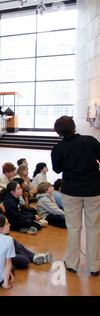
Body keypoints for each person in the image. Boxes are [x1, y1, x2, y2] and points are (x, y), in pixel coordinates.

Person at [51, 116, 100, 276]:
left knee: (73, 228)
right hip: (94, 190)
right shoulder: (90, 141)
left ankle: (72, 263)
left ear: (58, 132)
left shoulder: (58, 148)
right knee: (94, 228)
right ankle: (94, 266)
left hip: (71, 190)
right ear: (74, 127)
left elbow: (57, 170)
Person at [0, 197, 52, 269]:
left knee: (13, 242)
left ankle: (33, 256)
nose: (2, 205)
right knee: (24, 261)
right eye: (0, 204)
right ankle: (32, 256)